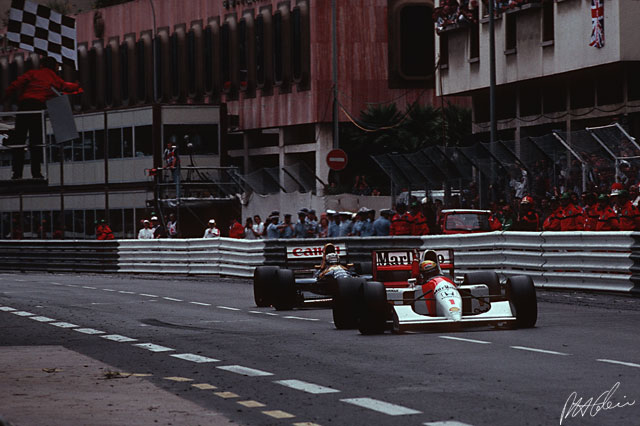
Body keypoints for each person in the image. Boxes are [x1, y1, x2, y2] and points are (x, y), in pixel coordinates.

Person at [4, 56, 81, 179]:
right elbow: (66, 87)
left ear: (42, 65)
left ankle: (17, 173)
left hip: (24, 107)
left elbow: (15, 85)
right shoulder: (55, 78)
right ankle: (36, 172)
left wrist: (4, 98)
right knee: (36, 141)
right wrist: (78, 86)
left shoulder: (33, 73)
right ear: (54, 67)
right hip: (37, 109)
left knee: (19, 140)